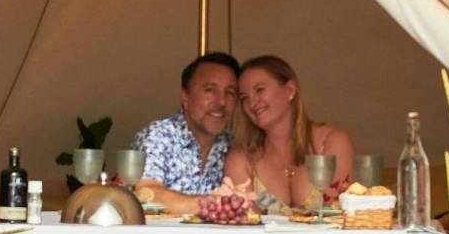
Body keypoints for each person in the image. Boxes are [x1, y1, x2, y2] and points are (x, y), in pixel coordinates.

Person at [223, 55, 355, 211]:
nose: (252, 103)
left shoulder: (333, 142)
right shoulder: (242, 158)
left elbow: (340, 214)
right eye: (244, 98)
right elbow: (241, 225)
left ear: (290, 90)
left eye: (260, 90)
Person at [131, 52, 240, 215]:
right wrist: (209, 205)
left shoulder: (232, 147)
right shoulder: (159, 136)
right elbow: (147, 194)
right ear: (185, 97)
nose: (222, 102)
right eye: (210, 90)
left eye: (230, 92)